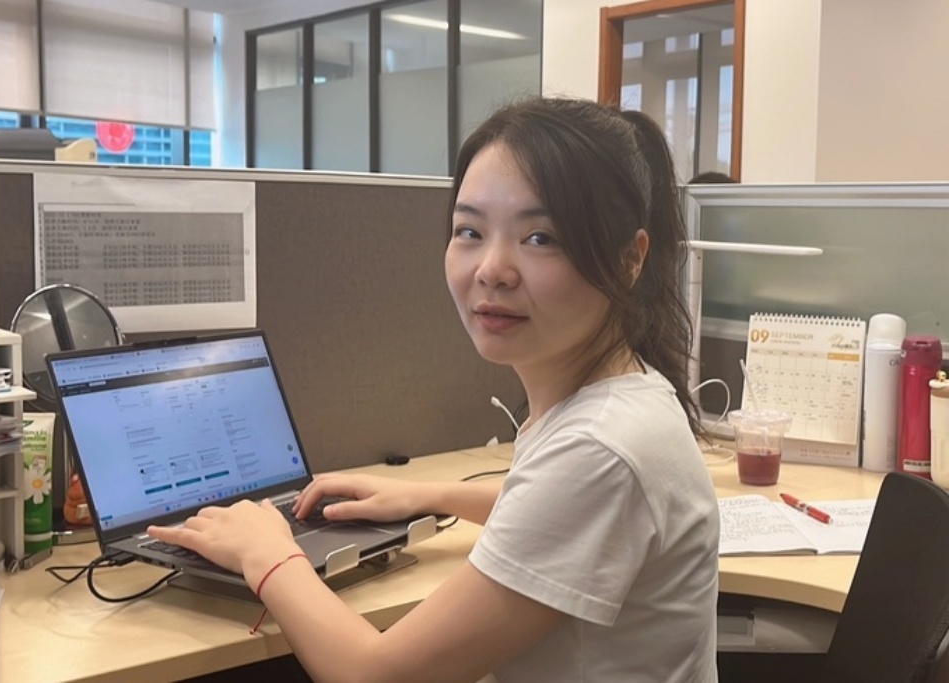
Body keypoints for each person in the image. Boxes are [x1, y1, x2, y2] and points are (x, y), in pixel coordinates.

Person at [149, 97, 720, 682]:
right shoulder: (629, 393)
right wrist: (429, 496)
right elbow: (558, 512)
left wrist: (266, 554)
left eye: (540, 237)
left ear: (629, 260)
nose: (491, 269)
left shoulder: (601, 449)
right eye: (470, 231)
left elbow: (375, 676)